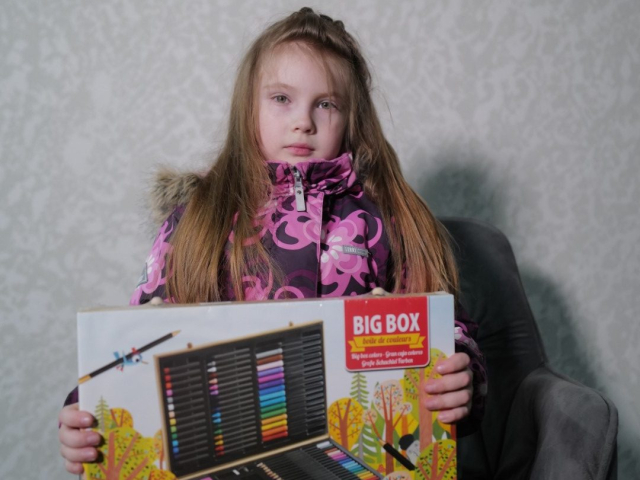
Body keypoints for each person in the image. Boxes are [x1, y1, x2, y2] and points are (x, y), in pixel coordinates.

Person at [58, 7, 487, 475]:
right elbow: (136, 338)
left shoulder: (388, 219)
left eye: (326, 104)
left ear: (351, 117)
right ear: (250, 108)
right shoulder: (197, 219)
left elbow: (447, 328)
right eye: (282, 98)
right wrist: (87, 410)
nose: (303, 121)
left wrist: (460, 374)